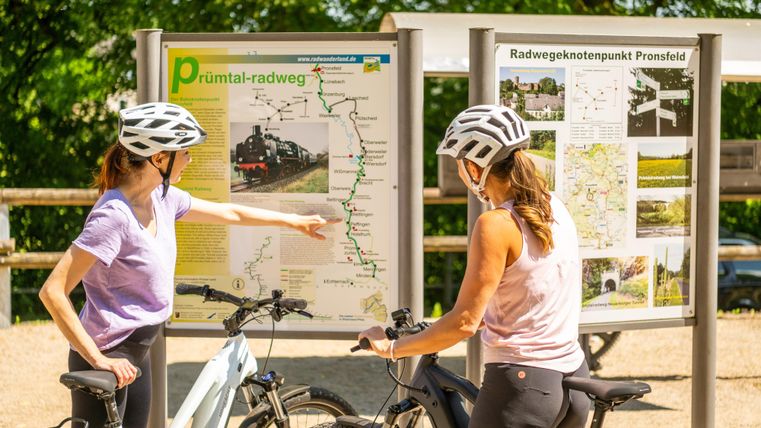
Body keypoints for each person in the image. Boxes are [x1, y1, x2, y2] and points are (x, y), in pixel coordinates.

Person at [39, 102, 337, 427]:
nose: (190, 159)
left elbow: (230, 213)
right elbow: (53, 291)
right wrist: (97, 360)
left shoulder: (163, 198)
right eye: (185, 151)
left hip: (137, 351)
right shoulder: (113, 217)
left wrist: (294, 221)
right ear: (158, 158)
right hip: (106, 356)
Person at [359, 105, 590, 428]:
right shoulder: (553, 207)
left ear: (474, 167)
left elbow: (465, 323)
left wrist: (393, 348)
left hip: (523, 386)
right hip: (573, 380)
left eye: (459, 165)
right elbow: (530, 290)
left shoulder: (495, 224)